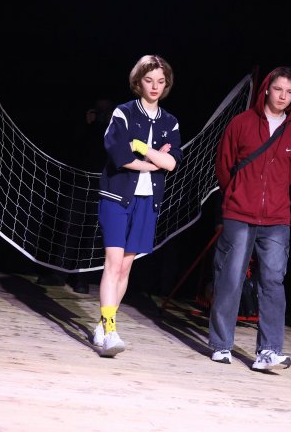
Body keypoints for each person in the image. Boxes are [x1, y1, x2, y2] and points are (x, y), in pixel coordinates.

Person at [208, 66, 291, 371]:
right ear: (266, 89)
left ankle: (269, 351)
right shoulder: (242, 123)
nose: (283, 96)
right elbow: (223, 165)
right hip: (239, 213)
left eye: (289, 92)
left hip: (277, 218)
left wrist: (271, 200)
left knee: (273, 281)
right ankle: (221, 344)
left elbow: (288, 174)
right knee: (231, 277)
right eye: (278, 89)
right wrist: (238, 195)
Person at [92, 55, 182, 357]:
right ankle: (110, 329)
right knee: (113, 263)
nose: (155, 86)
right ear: (138, 82)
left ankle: (104, 323)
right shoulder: (124, 113)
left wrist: (143, 149)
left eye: (160, 81)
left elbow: (172, 163)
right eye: (149, 80)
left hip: (147, 202)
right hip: (117, 197)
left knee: (126, 267)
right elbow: (120, 156)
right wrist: (155, 161)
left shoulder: (170, 121)